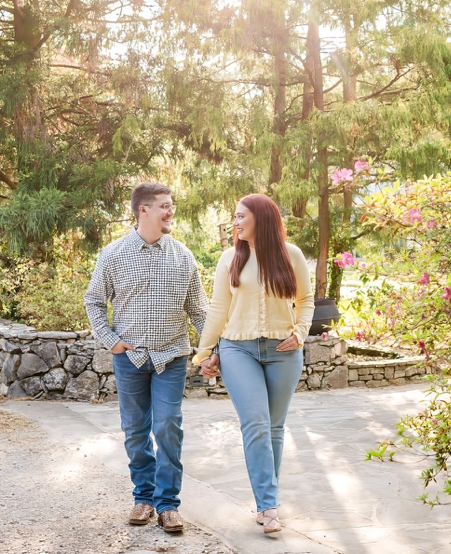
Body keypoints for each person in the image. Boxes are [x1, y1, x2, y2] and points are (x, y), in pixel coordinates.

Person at [84, 182, 208, 533]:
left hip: (172, 354)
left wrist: (210, 347)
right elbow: (94, 300)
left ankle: (168, 505)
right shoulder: (113, 254)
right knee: (135, 430)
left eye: (171, 205)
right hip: (130, 358)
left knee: (167, 425)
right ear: (144, 210)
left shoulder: (183, 255)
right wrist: (111, 340)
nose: (171, 212)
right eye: (164, 206)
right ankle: (143, 497)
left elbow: (199, 310)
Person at [193, 194, 314, 534]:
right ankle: (269, 506)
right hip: (238, 349)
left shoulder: (292, 255)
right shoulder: (230, 258)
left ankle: (266, 501)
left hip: (284, 350)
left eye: (241, 216)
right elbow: (218, 310)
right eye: (234, 216)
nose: (236, 222)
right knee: (257, 424)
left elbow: (305, 300)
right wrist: (205, 352)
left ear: (261, 217)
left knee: (274, 428)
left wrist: (301, 333)